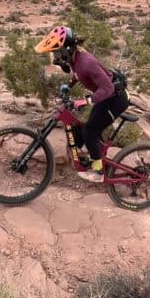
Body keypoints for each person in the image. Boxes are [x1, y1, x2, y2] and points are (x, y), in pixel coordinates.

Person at [34, 26, 129, 183]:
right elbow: (77, 75)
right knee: (85, 128)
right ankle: (93, 156)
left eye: (57, 52)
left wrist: (86, 101)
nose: (55, 56)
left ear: (67, 49)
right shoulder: (75, 59)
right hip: (106, 97)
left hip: (116, 99)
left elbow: (108, 87)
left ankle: (99, 172)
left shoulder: (87, 63)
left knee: (89, 131)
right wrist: (68, 86)